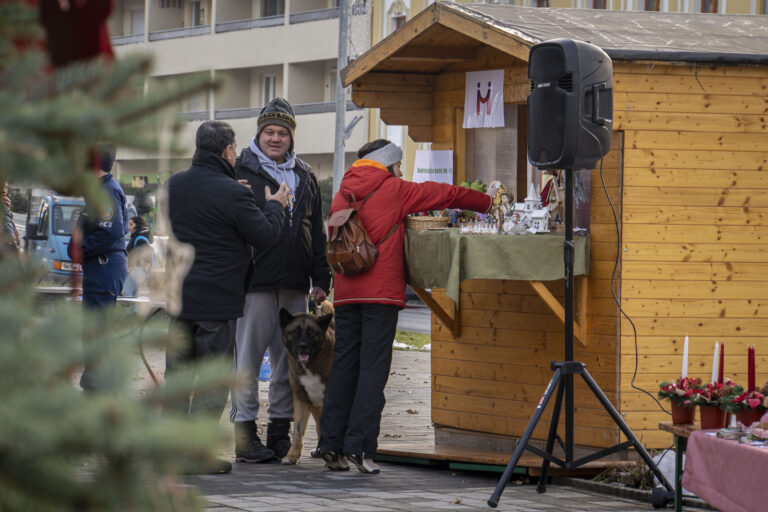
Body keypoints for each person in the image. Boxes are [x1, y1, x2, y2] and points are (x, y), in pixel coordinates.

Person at [317, 139, 491, 473]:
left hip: (347, 290)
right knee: (373, 370)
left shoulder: (343, 192)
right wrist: (485, 201)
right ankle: (360, 449)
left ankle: (330, 445)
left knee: (344, 367)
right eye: (398, 165)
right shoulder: (395, 189)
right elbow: (444, 193)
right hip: (380, 293)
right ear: (388, 163)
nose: (400, 171)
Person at [166, 120, 289, 474]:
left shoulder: (174, 184)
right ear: (227, 150)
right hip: (216, 303)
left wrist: (234, 193)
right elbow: (264, 235)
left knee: (177, 379)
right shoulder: (234, 193)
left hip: (179, 298)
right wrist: (275, 205)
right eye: (234, 148)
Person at [231, 97, 331, 463]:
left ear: (291, 137)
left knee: (288, 362)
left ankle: (278, 431)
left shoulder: (305, 174)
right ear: (259, 134)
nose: (276, 138)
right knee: (247, 360)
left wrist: (321, 276)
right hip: (254, 281)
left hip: (294, 282)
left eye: (283, 133)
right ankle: (244, 433)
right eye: (269, 132)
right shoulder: (240, 169)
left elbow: (315, 231)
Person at [69, 144, 129, 392]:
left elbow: (110, 231)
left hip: (104, 266)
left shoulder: (108, 191)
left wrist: (81, 249)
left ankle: (99, 387)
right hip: (101, 266)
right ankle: (95, 383)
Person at [121, 215, 153, 297]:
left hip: (138, 270)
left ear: (137, 225)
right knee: (135, 294)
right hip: (138, 270)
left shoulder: (139, 238)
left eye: (131, 224)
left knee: (126, 292)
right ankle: (133, 306)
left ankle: (129, 306)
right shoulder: (138, 237)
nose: (129, 227)